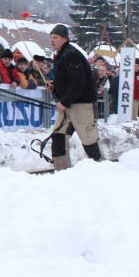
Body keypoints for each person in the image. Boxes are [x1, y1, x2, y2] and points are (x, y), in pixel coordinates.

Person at [44, 24, 102, 170]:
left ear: (65, 39)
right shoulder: (61, 54)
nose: (52, 40)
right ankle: (62, 171)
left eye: (55, 37)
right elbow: (67, 80)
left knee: (89, 141)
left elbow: (78, 82)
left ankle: (102, 168)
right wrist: (54, 87)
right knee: (58, 137)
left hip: (82, 104)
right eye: (51, 37)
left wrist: (64, 102)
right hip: (69, 104)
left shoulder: (71, 54)